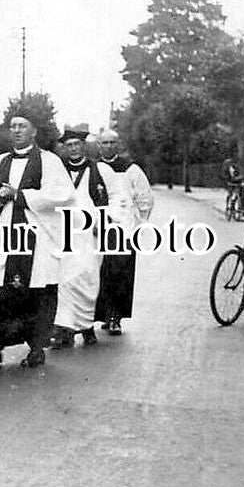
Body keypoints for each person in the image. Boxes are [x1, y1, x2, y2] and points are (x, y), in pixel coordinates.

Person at [0, 114, 74, 368]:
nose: (16, 130)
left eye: (22, 126)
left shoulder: (49, 161)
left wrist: (20, 194)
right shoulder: (0, 161)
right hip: (2, 237)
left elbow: (62, 196)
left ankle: (36, 349)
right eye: (12, 126)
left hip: (37, 238)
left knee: (37, 294)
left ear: (34, 131)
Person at [49, 129, 113, 349]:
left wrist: (103, 223)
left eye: (77, 144)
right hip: (64, 232)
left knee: (87, 277)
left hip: (90, 234)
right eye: (69, 145)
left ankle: (86, 325)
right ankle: (64, 329)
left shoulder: (98, 170)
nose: (74, 148)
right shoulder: (58, 171)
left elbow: (112, 198)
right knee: (64, 280)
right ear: (65, 148)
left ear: (84, 146)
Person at [95, 129, 154, 335]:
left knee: (120, 272)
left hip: (123, 230)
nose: (109, 146)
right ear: (98, 146)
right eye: (105, 143)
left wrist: (135, 222)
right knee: (99, 272)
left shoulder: (131, 170)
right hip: (97, 229)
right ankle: (100, 314)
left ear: (118, 145)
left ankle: (115, 316)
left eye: (113, 142)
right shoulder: (94, 168)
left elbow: (145, 199)